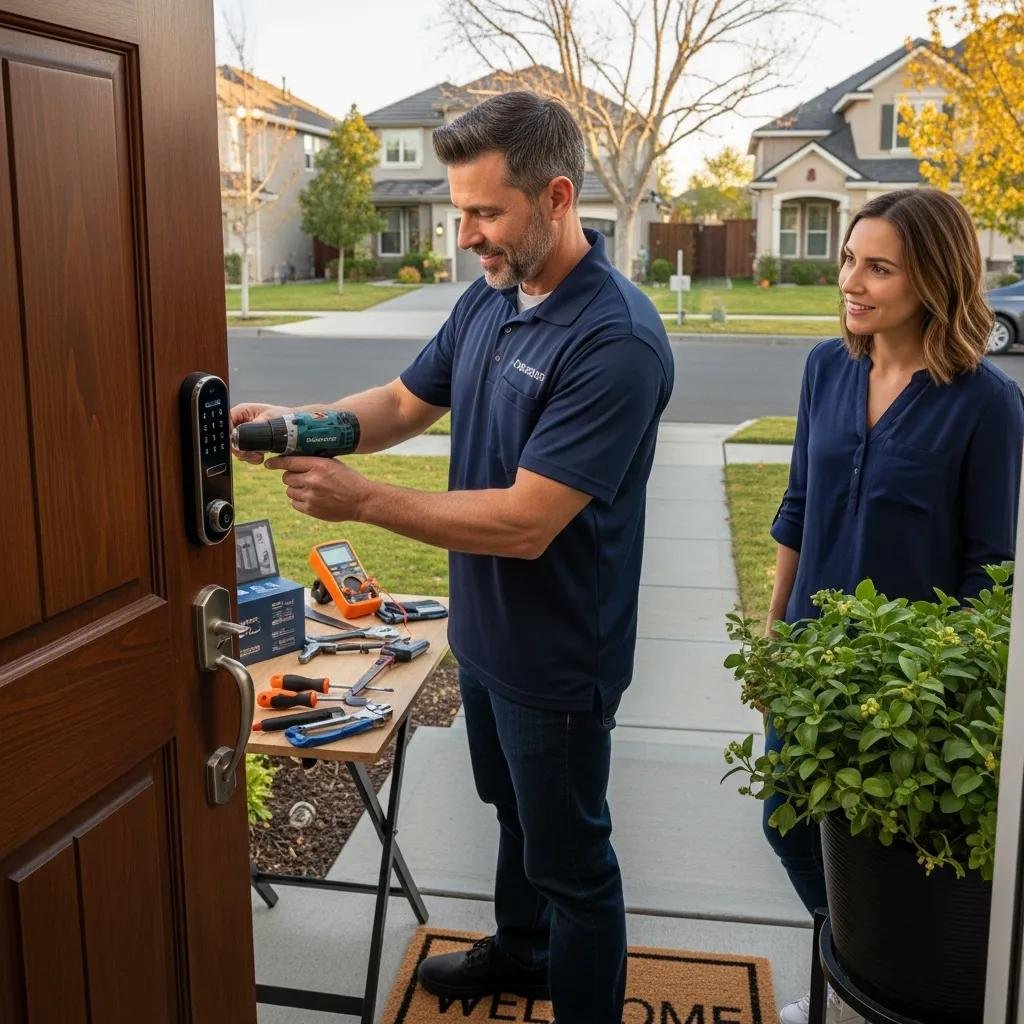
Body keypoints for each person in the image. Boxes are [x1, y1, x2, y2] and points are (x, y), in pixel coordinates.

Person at [231, 91, 674, 1024]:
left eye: (485, 212)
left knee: (575, 865)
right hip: (486, 635)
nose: (466, 233)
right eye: (460, 210)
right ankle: (523, 952)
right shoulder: (492, 299)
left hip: (559, 656)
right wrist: (287, 427)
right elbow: (398, 404)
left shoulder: (615, 340)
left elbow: (526, 521)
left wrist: (362, 502)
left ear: (556, 198)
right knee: (513, 817)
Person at [764, 188, 1024, 1024]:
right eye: (849, 260)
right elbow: (799, 504)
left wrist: (952, 694)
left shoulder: (988, 405)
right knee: (786, 824)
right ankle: (846, 956)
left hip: (902, 688)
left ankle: (863, 982)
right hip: (808, 661)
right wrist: (773, 633)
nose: (853, 281)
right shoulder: (825, 368)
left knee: (885, 858)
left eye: (879, 268)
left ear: (935, 279)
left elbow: (991, 569)